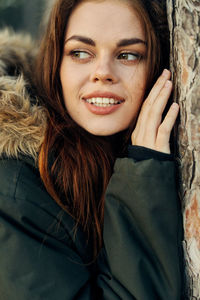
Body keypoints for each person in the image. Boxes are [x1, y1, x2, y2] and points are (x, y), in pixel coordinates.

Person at [0, 0, 183, 299]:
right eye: (80, 52)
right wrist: (143, 176)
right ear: (56, 62)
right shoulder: (12, 187)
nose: (103, 73)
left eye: (128, 55)